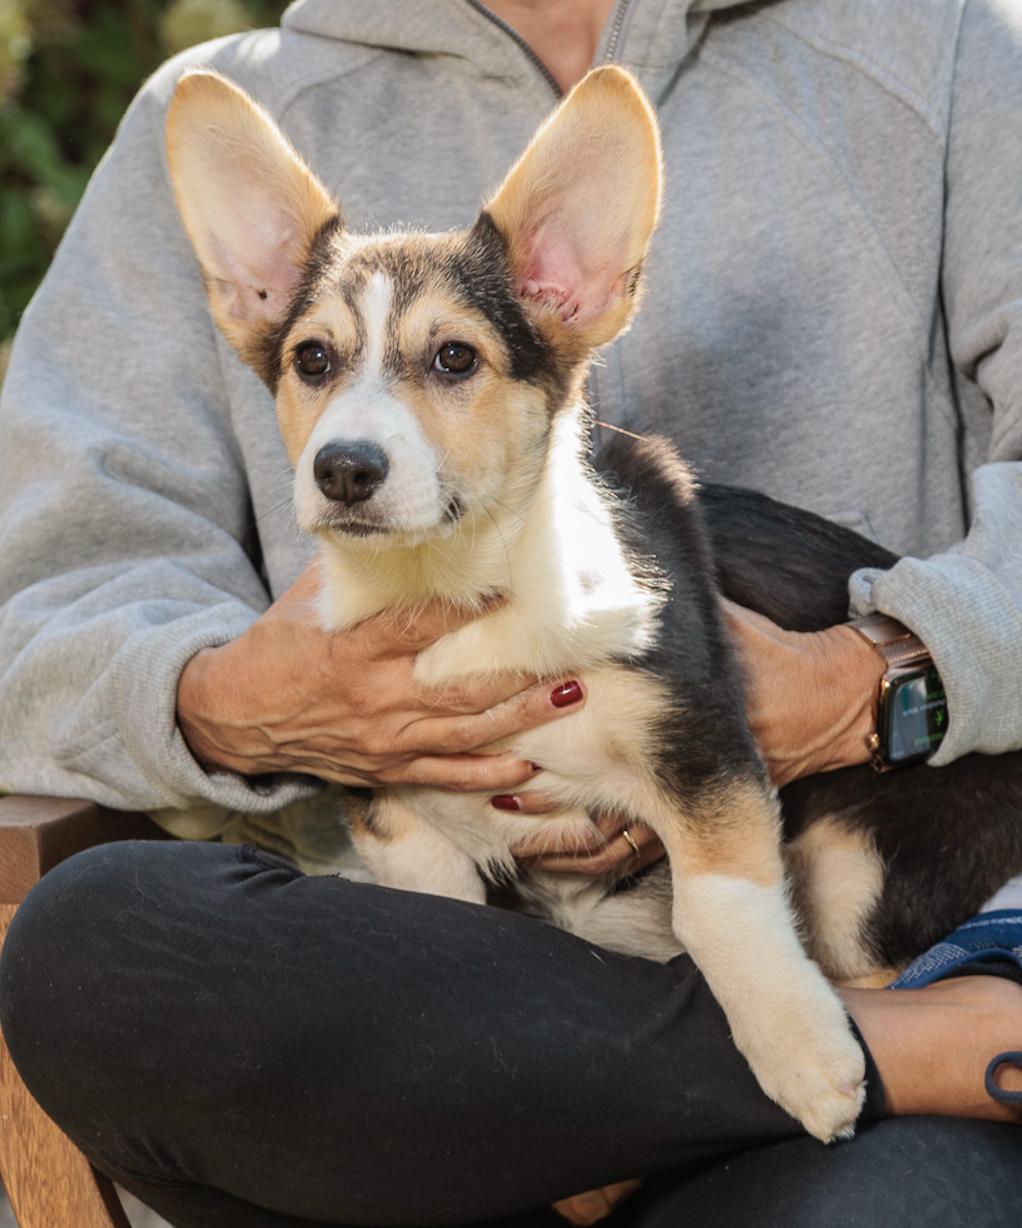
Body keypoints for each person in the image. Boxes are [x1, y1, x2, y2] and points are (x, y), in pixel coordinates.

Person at [0, 1, 1020, 1224]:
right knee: (90, 949)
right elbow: (40, 608)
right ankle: (916, 1048)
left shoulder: (950, 48)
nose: (351, 429)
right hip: (442, 997)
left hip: (855, 921)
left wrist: (884, 675)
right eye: (317, 362)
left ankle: (837, 1047)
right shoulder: (210, 109)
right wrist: (231, 706)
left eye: (448, 363)